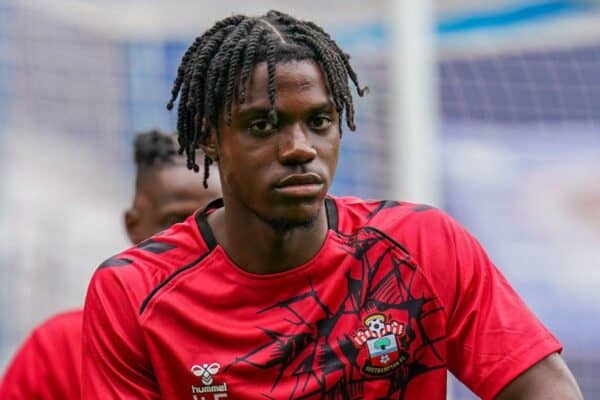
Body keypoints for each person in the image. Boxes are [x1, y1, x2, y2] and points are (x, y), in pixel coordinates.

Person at [81, 10, 583, 400]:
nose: (299, 147)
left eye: (319, 121)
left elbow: (545, 387)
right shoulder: (133, 291)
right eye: (263, 125)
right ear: (211, 139)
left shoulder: (423, 246)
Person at [0, 130, 221, 399]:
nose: (194, 238)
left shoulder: (269, 332)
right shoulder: (59, 349)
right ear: (134, 226)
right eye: (174, 222)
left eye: (214, 222)